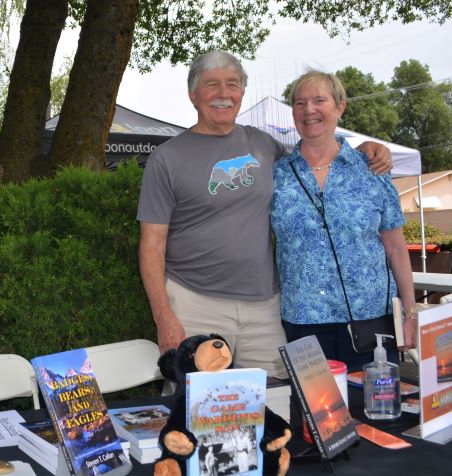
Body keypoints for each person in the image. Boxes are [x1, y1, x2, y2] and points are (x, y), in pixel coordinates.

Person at [136, 51, 392, 378]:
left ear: (242, 93)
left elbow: (313, 162)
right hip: (195, 304)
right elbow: (151, 245)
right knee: (200, 408)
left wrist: (360, 152)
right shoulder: (166, 159)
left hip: (265, 306)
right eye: (212, 85)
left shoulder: (263, 145)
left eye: (233, 84)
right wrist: (165, 317)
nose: (223, 94)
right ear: (194, 95)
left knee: (283, 399)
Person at [270, 70, 417, 370]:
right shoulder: (276, 175)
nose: (309, 110)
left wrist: (411, 312)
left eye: (319, 100)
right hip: (302, 323)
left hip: (370, 323)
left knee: (374, 412)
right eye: (300, 103)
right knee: (311, 416)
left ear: (340, 107)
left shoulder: (372, 169)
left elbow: (396, 248)